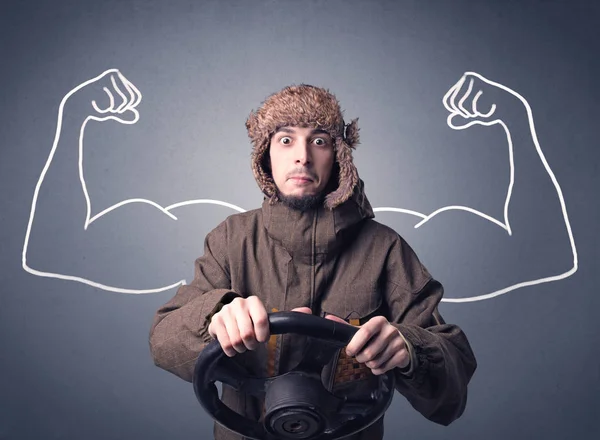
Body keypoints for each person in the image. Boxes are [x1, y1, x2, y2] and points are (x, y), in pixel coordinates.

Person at [149, 84, 477, 440]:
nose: (302, 156)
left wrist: (410, 349)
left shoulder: (385, 248)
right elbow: (164, 341)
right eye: (286, 140)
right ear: (266, 155)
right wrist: (214, 317)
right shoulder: (231, 240)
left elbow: (451, 392)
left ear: (337, 155)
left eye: (319, 141)